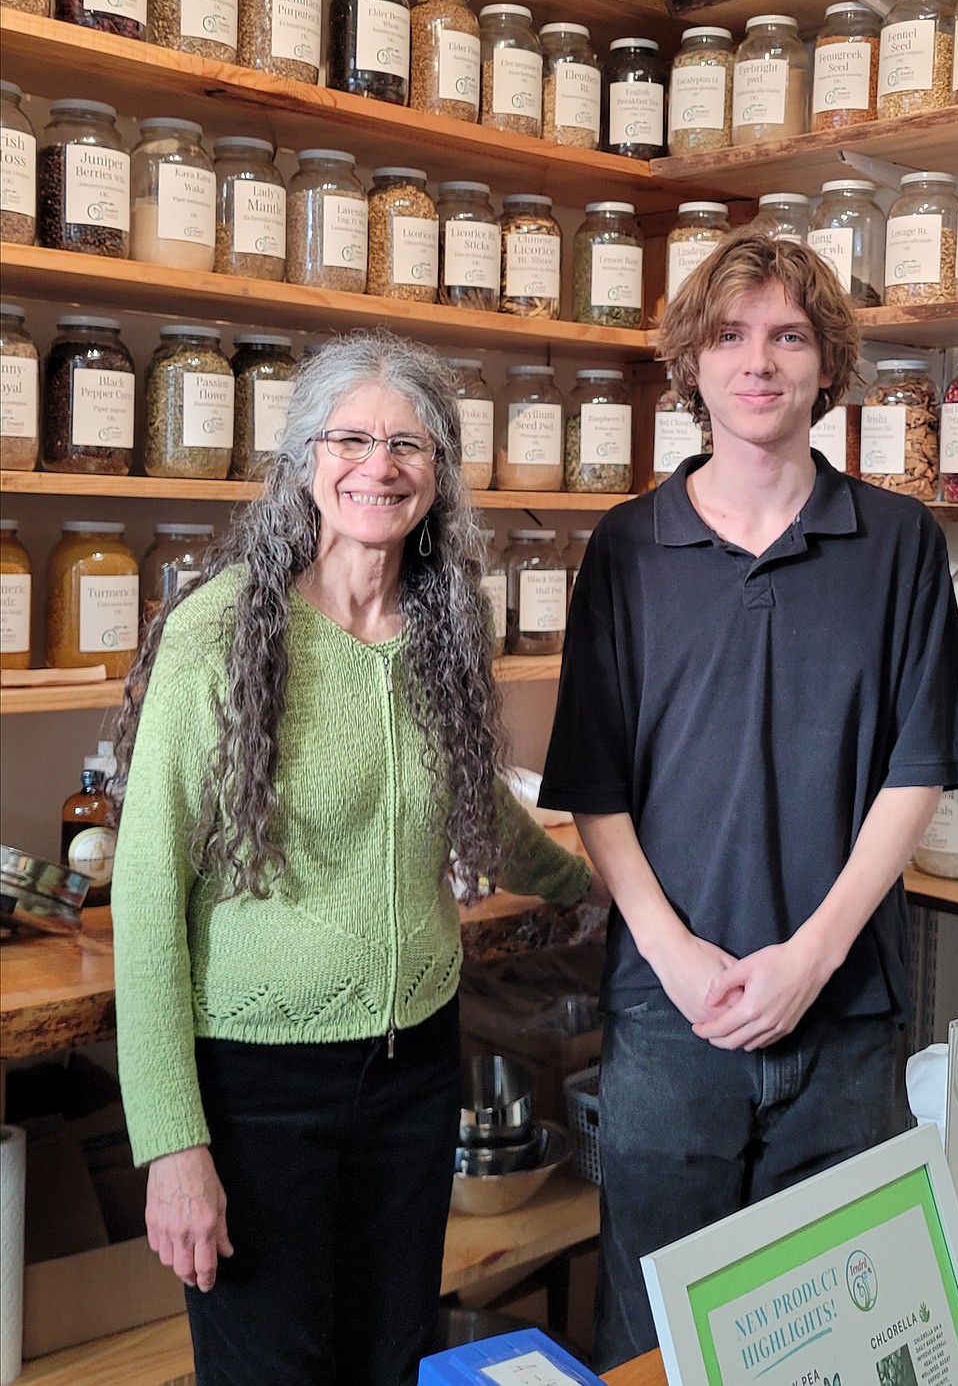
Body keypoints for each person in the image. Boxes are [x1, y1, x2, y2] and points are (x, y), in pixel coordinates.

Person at [111, 332, 592, 1386]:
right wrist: (171, 1143)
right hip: (255, 1089)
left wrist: (590, 888)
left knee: (390, 1358)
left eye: (409, 444)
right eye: (352, 438)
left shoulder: (446, 624)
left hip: (412, 1071)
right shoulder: (220, 633)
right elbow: (145, 901)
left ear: (441, 473)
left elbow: (476, 807)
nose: (380, 464)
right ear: (302, 462)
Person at [539, 232, 958, 1370]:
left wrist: (812, 956)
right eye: (730, 335)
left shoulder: (898, 545)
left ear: (828, 365)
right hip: (664, 1014)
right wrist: (679, 954)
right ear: (689, 363)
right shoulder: (629, 547)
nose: (759, 361)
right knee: (651, 1332)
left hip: (844, 1010)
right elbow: (595, 784)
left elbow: (917, 766)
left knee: (826, 1333)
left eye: (789, 336)